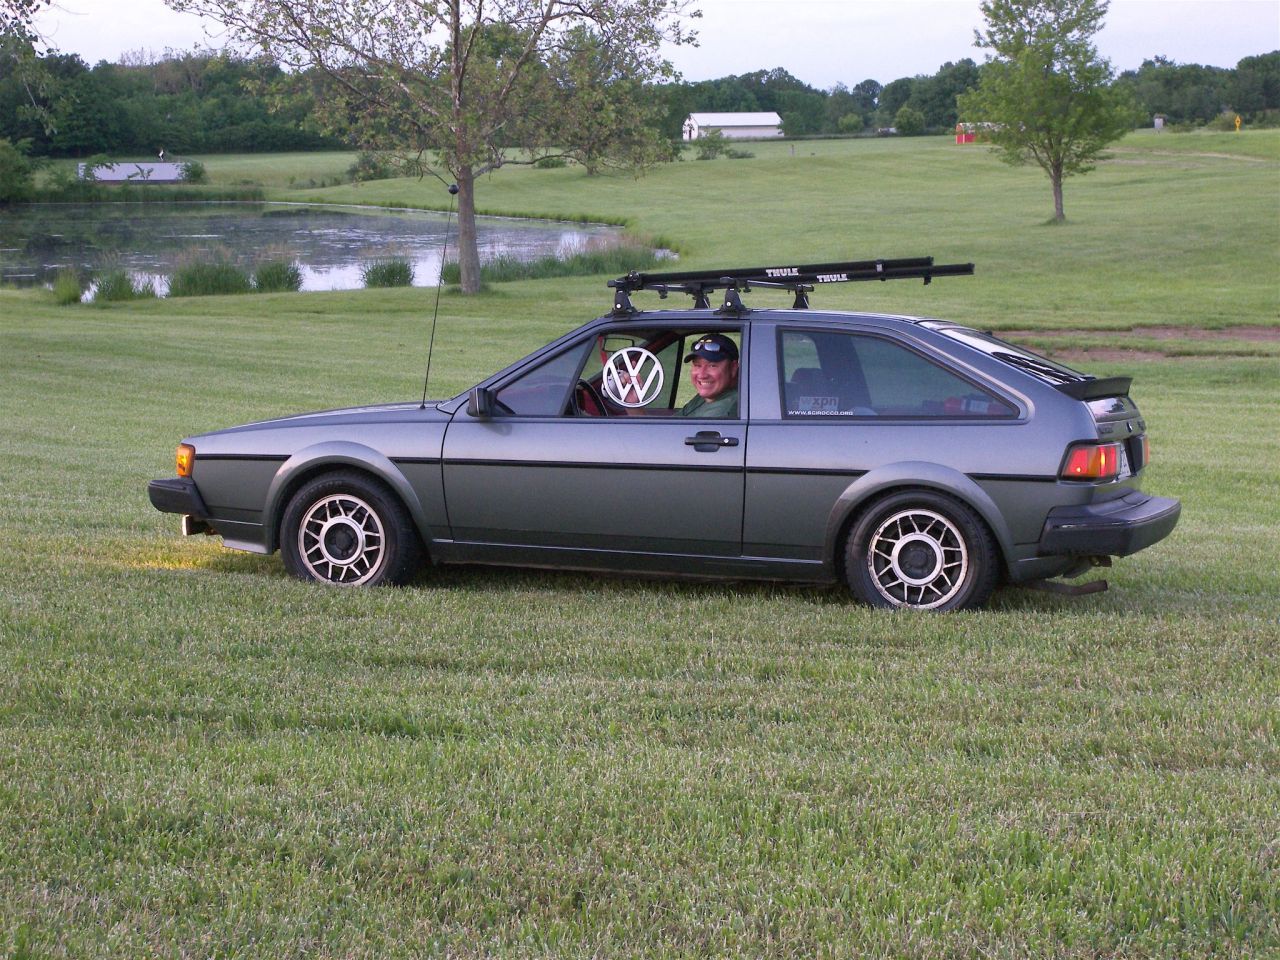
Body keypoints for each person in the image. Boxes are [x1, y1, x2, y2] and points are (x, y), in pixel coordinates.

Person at [679, 334, 739, 418]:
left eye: (712, 366)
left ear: (733, 368)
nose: (702, 375)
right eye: (697, 365)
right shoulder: (710, 396)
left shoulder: (726, 409)